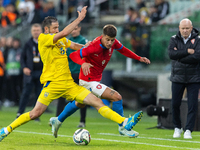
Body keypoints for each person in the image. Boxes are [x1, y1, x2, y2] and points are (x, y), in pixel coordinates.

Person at [0, 6, 142, 142]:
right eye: (54, 28)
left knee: (97, 102)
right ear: (46, 29)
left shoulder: (60, 39)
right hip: (52, 84)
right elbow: (63, 34)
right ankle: (6, 130)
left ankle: (124, 122)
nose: (57, 30)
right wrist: (79, 19)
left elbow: (74, 45)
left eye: (57, 27)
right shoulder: (44, 39)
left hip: (69, 84)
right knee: (35, 113)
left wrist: (88, 46)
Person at [50, 24, 150, 138]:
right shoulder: (93, 46)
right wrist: (83, 63)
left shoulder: (114, 43)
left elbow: (124, 50)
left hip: (95, 80)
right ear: (102, 36)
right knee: (116, 97)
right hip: (87, 81)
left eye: (112, 40)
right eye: (107, 40)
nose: (109, 43)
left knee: (79, 103)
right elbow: (74, 55)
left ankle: (57, 120)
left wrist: (138, 58)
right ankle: (123, 125)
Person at [168, 18, 200, 139]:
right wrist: (187, 51)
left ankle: (188, 130)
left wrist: (179, 56)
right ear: (179, 28)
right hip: (177, 76)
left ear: (191, 28)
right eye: (183, 28)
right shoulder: (173, 39)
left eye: (187, 28)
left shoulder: (198, 40)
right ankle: (177, 127)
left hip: (194, 77)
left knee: (192, 105)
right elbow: (171, 54)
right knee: (175, 104)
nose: (185, 30)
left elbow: (197, 57)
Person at [56, 22, 88, 128]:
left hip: (79, 73)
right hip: (67, 73)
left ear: (79, 29)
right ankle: (57, 119)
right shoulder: (67, 41)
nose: (73, 31)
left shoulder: (83, 41)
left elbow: (82, 54)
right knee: (61, 95)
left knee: (82, 97)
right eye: (72, 29)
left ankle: (82, 121)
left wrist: (67, 53)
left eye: (75, 29)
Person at [16, 23, 43, 120]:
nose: (36, 32)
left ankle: (36, 115)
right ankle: (20, 112)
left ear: (41, 31)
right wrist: (24, 68)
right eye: (34, 31)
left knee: (39, 95)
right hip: (30, 73)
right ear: (31, 32)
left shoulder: (44, 42)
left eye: (37, 30)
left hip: (41, 72)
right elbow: (22, 58)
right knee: (25, 93)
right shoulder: (27, 43)